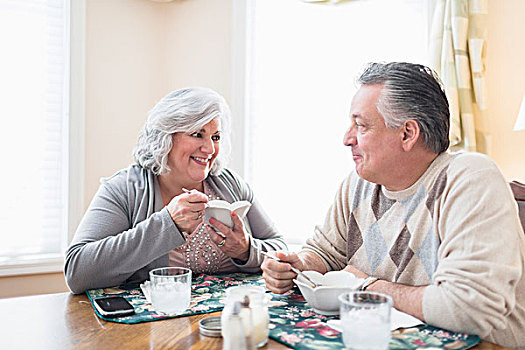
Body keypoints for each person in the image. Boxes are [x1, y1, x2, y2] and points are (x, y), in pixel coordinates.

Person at [261, 62, 525, 348]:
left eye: (361, 125)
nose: (347, 139)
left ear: (408, 134)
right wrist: (297, 266)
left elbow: (468, 309)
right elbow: (325, 253)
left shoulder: (470, 178)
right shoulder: (358, 183)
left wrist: (366, 286)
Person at [65, 87, 286, 294]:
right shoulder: (124, 189)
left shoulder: (230, 184)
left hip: (227, 323)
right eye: (197, 134)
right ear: (166, 136)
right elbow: (77, 271)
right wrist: (167, 224)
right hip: (153, 328)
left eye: (215, 137)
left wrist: (246, 250)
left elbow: (279, 247)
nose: (209, 149)